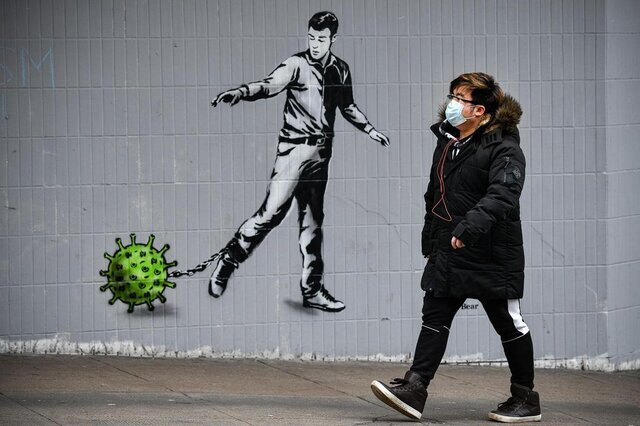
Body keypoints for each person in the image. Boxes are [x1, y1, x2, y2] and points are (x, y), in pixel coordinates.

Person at [370, 72, 541, 422]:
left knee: (508, 323)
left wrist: (470, 227)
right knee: (434, 314)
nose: (451, 103)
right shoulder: (448, 142)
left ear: (479, 110)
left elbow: (503, 194)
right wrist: (430, 238)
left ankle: (525, 398)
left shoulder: (504, 148)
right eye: (452, 96)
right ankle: (415, 388)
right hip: (449, 247)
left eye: (460, 98)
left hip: (491, 252)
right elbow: (435, 195)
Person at [209, 11, 390, 312]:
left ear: (333, 39)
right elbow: (269, 85)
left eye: (321, 39)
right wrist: (241, 93)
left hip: (320, 155)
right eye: (311, 38)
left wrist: (370, 129)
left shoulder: (340, 69)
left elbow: (347, 106)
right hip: (293, 152)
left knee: (313, 224)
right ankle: (229, 261)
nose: (315, 44)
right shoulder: (296, 65)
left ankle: (313, 290)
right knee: (270, 214)